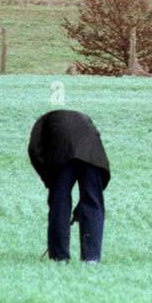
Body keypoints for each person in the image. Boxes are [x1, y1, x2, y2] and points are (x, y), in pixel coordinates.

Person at [28, 110, 111, 262]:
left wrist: (49, 179)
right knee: (93, 204)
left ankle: (60, 257)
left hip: (62, 155)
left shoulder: (43, 122)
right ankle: (91, 259)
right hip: (93, 156)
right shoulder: (85, 119)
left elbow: (34, 150)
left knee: (59, 205)